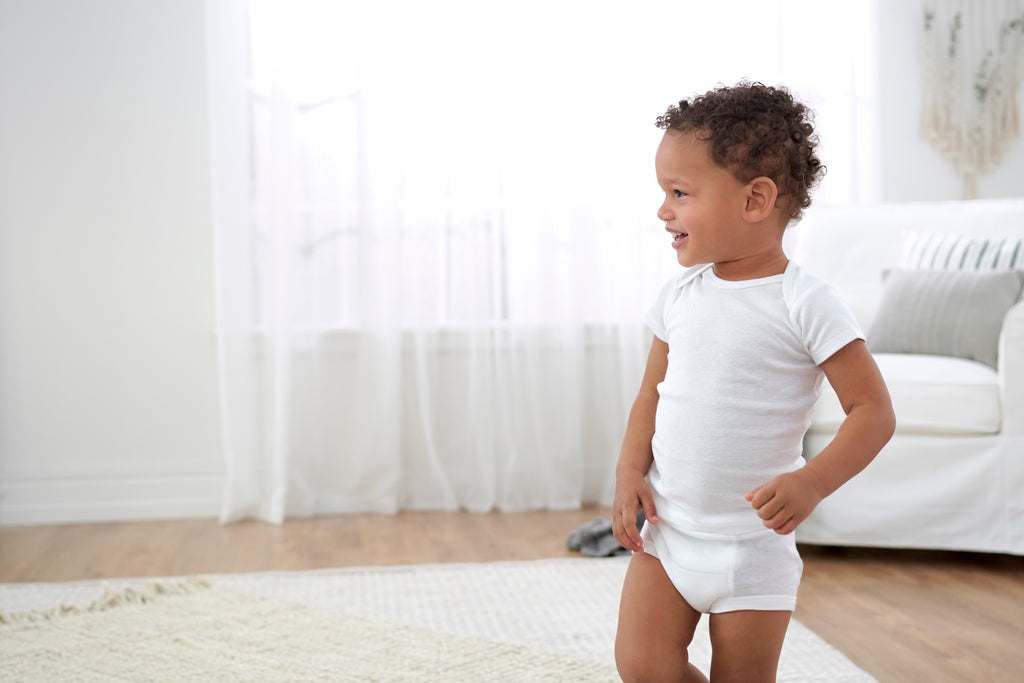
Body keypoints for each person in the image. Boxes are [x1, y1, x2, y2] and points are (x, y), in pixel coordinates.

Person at [612, 82, 895, 683]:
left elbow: (872, 410)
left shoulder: (806, 303)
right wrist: (628, 473)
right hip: (669, 533)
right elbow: (650, 396)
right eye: (665, 192)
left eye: (680, 193)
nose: (663, 211)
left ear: (755, 200)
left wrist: (812, 483)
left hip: (752, 550)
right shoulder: (680, 295)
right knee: (642, 668)